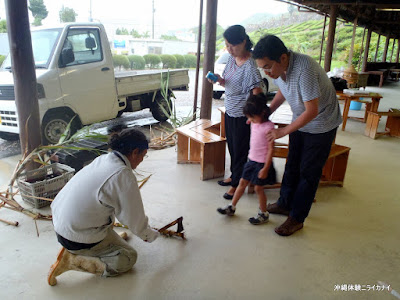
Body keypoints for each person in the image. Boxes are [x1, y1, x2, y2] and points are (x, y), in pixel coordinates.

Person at [252, 35, 342, 236]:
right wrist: (266, 113)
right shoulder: (280, 70)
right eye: (262, 68)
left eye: (268, 66)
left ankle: (297, 217)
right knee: (292, 164)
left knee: (308, 172)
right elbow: (283, 92)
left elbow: (312, 111)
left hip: (321, 124)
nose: (266, 72)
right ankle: (285, 203)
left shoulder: (305, 69)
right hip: (301, 120)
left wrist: (283, 130)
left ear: (283, 58)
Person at [48, 128, 160, 286]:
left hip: (61, 222)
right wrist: (150, 235)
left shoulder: (104, 159)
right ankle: (74, 259)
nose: (142, 159)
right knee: (128, 257)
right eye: (143, 155)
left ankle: (100, 243)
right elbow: (133, 219)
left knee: (105, 211)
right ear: (135, 152)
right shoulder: (123, 175)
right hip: (77, 236)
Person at [209, 24, 267, 200]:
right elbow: (230, 82)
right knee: (233, 148)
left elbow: (256, 90)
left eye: (233, 45)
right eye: (227, 45)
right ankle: (235, 176)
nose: (230, 49)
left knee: (241, 151)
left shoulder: (250, 65)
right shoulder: (232, 60)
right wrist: (220, 80)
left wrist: (255, 115)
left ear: (243, 42)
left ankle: (236, 185)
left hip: (243, 116)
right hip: (230, 111)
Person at [217, 93, 275, 225]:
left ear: (263, 113)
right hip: (251, 160)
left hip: (262, 164)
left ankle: (264, 213)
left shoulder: (269, 128)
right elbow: (252, 121)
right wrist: (251, 119)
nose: (250, 120)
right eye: (249, 118)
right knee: (242, 183)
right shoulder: (254, 121)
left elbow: (271, 149)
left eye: (252, 117)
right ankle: (232, 206)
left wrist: (266, 168)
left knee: (258, 189)